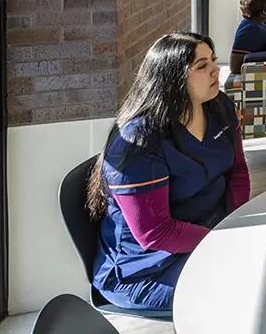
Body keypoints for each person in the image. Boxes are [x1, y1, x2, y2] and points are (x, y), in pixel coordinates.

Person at [87, 32, 249, 312]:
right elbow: (154, 232)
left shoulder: (219, 106)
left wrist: (236, 224)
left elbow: (237, 170)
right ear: (172, 79)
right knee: (244, 291)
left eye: (212, 60)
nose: (215, 69)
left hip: (210, 233)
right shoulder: (140, 140)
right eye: (202, 66)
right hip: (147, 269)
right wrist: (221, 240)